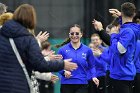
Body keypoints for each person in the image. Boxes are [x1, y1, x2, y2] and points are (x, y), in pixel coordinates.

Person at [0, 4, 77, 93]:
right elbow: (39, 64)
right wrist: (62, 64)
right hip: (18, 86)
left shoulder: (3, 35)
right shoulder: (28, 39)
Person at [58, 24, 98, 93]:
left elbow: (92, 66)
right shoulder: (62, 50)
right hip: (66, 84)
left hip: (82, 84)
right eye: (72, 33)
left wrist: (94, 76)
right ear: (69, 35)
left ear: (81, 34)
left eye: (77, 33)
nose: (74, 35)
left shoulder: (87, 50)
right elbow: (57, 65)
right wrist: (63, 72)